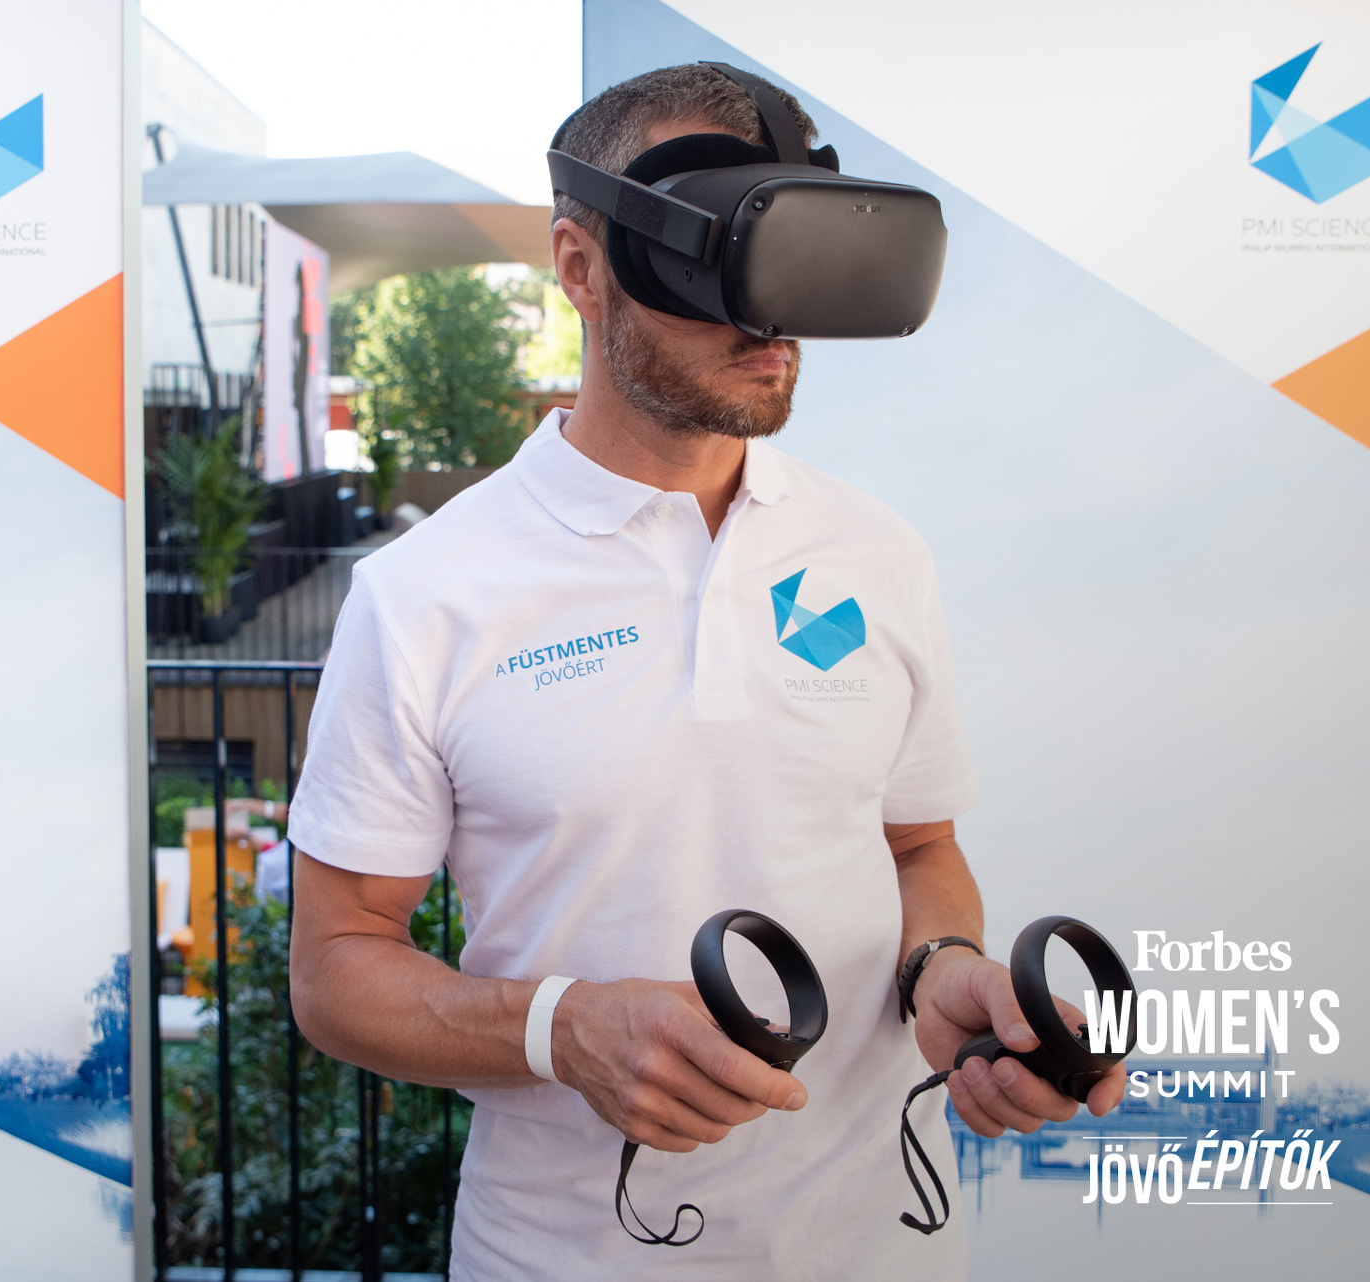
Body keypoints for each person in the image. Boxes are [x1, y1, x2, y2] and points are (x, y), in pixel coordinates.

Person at [284, 63, 1121, 1280]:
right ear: (581, 266)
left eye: (796, 260)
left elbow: (919, 849)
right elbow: (335, 966)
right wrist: (560, 1027)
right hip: (566, 1257)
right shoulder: (427, 594)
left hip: (881, 1248)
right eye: (717, 258)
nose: (771, 321)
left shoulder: (876, 554)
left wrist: (940, 971)